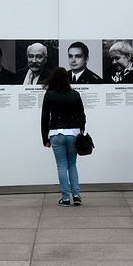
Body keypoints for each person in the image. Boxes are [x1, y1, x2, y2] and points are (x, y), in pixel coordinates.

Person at [41, 67, 86, 206]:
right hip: (73, 132)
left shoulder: (49, 94)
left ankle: (66, 197)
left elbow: (44, 118)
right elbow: (82, 115)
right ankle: (77, 195)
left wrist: (45, 138)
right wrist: (81, 131)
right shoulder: (75, 94)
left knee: (61, 165)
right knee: (72, 164)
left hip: (56, 133)